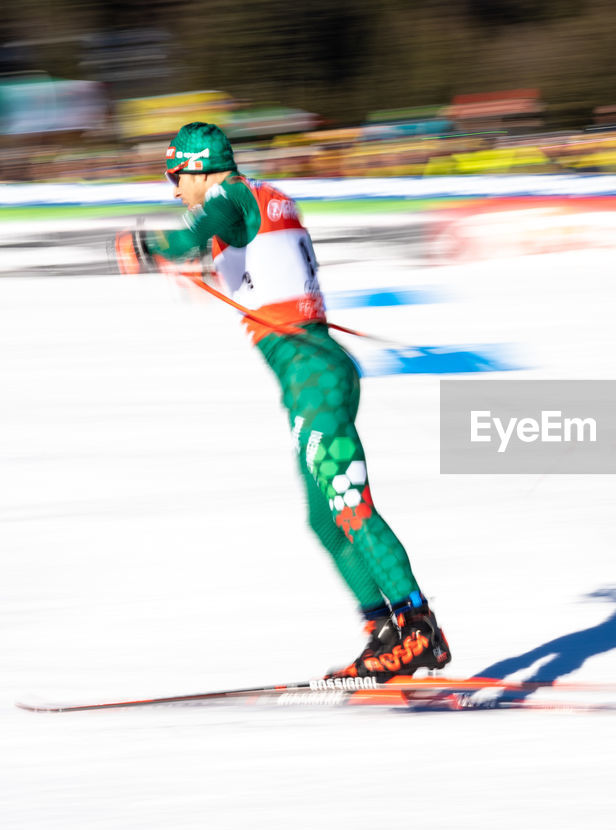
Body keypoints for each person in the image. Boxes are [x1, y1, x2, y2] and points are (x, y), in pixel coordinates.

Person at [111, 121, 451, 680]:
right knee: (325, 520)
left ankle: (418, 628)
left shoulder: (226, 195)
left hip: (312, 370)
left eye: (175, 175)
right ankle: (383, 632)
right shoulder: (261, 198)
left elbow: (193, 233)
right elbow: (248, 259)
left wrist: (147, 245)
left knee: (348, 503)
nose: (174, 190)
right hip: (313, 368)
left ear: (197, 167)